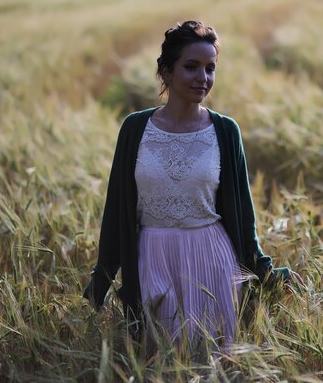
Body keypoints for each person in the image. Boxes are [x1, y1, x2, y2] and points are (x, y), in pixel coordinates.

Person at [83, 20, 301, 356]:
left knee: (209, 362)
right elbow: (116, 212)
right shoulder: (135, 129)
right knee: (155, 363)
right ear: (166, 72)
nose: (203, 77)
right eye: (191, 67)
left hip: (211, 262)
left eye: (210, 68)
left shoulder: (225, 131)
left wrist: (266, 272)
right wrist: (101, 283)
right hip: (151, 258)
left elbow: (244, 219)